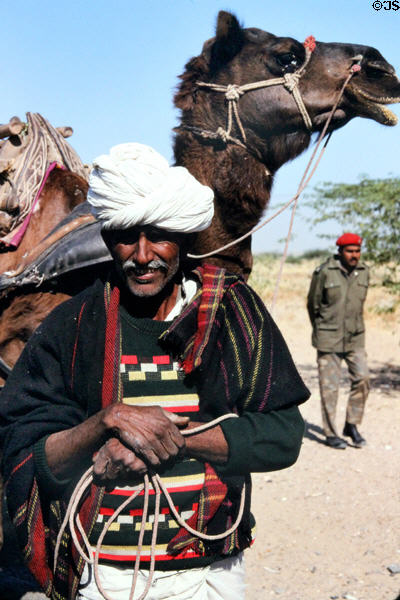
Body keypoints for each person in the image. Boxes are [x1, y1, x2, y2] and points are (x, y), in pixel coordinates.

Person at [0, 143, 309, 600]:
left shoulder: (231, 311)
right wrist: (107, 421)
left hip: (213, 569)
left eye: (159, 234)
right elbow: (27, 453)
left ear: (182, 237)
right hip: (107, 574)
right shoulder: (73, 326)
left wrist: (176, 441)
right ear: (107, 239)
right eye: (126, 235)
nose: (142, 255)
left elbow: (283, 435)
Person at [307, 233, 370, 450]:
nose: (355, 255)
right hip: (328, 338)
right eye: (350, 251)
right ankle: (331, 433)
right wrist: (322, 329)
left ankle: (351, 425)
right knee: (329, 388)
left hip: (355, 338)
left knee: (363, 378)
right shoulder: (325, 272)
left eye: (357, 251)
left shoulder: (364, 272)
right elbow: (312, 305)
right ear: (340, 251)